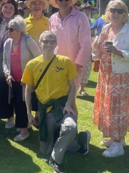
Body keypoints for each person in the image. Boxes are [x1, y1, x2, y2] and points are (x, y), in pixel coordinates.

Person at [23, 31, 90, 173]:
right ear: (39, 42)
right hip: (45, 110)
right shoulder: (32, 64)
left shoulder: (65, 61)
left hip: (63, 106)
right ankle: (80, 141)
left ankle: (56, 160)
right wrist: (29, 113)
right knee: (44, 150)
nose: (48, 44)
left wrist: (68, 104)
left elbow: (73, 86)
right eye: (45, 41)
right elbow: (28, 90)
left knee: (70, 127)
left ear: (56, 44)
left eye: (52, 41)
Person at [92, 0, 129, 157]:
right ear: (107, 12)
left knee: (117, 109)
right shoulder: (106, 29)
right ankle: (117, 138)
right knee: (108, 108)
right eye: (112, 10)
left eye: (119, 11)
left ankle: (118, 143)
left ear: (125, 15)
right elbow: (97, 50)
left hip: (121, 77)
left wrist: (117, 51)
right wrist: (95, 45)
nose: (115, 13)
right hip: (106, 75)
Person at [3, 16, 41, 141]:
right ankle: (24, 124)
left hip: (27, 80)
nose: (8, 31)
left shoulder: (27, 41)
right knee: (17, 103)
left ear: (19, 31)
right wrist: (7, 74)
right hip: (13, 79)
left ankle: (24, 131)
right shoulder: (7, 43)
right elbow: (4, 62)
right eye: (8, 29)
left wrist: (31, 76)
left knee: (24, 103)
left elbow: (39, 59)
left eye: (11, 29)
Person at [48, 0, 91, 95]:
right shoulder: (52, 18)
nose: (64, 1)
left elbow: (86, 44)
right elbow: (50, 42)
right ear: (56, 1)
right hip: (56, 65)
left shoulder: (81, 17)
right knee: (56, 97)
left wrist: (77, 66)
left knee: (70, 100)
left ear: (71, 0)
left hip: (73, 65)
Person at [78, 4, 95, 96]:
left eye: (88, 10)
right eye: (85, 10)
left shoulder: (92, 22)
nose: (87, 11)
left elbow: (94, 36)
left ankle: (82, 89)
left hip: (89, 48)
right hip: (77, 48)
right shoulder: (77, 20)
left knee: (87, 68)